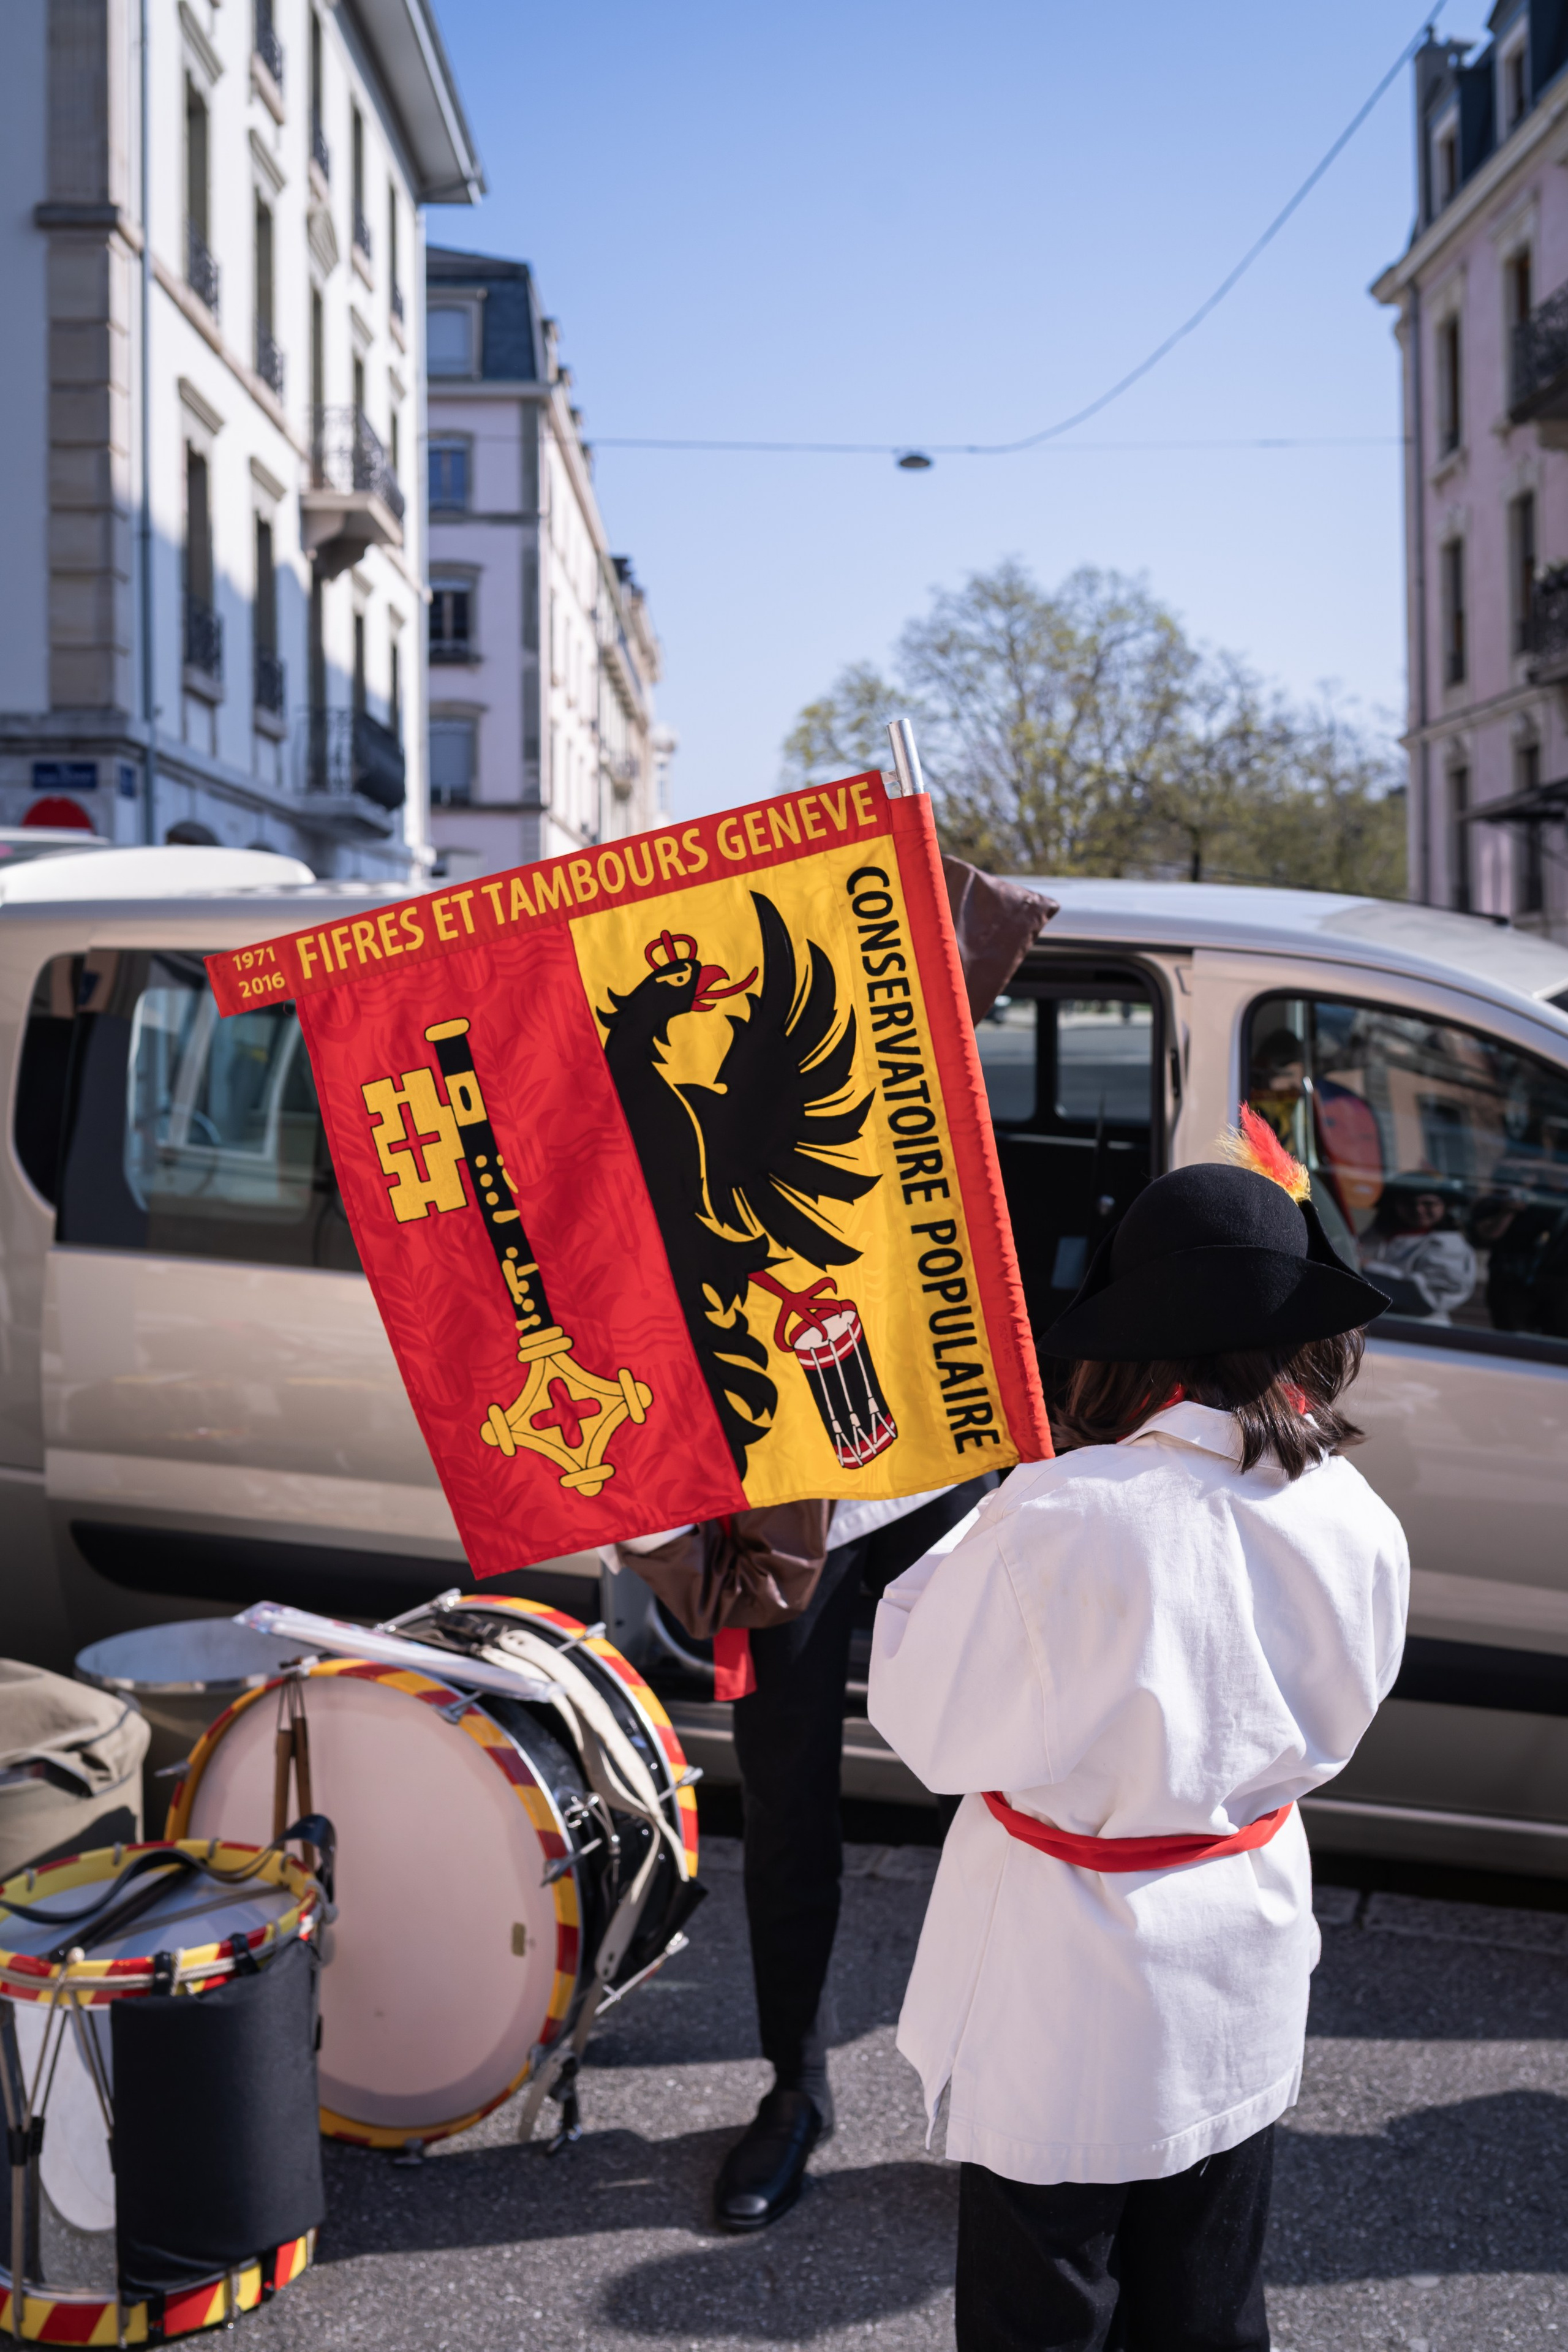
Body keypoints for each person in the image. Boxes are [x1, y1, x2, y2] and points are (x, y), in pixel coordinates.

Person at [867, 1116, 1407, 2351]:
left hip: (1070, 1971)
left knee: (1042, 2309)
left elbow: (928, 1721)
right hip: (1245, 1941)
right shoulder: (1352, 1511)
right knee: (1209, 2300)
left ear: (1136, 1346)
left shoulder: (1065, 1514)